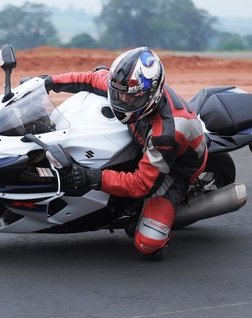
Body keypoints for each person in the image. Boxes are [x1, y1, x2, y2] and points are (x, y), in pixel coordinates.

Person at [44, 47, 208, 258]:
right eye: (118, 93)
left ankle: (167, 210)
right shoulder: (127, 86)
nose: (122, 101)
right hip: (144, 147)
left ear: (152, 94)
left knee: (147, 243)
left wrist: (93, 177)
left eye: (130, 99)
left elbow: (142, 184)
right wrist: (49, 82)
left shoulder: (165, 134)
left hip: (175, 171)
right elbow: (89, 79)